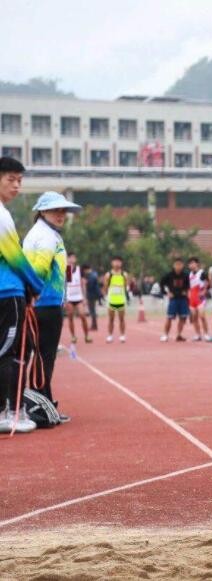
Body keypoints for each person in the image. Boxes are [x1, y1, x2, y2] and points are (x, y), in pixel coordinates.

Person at [23, 191, 83, 423]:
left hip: (45, 303)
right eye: (56, 210)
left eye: (63, 211)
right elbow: (38, 269)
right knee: (43, 356)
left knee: (41, 356)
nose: (61, 215)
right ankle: (39, 405)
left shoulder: (45, 233)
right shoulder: (46, 236)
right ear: (42, 211)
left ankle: (43, 402)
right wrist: (35, 294)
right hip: (44, 305)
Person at [0, 157, 44, 434]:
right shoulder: (2, 215)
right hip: (8, 292)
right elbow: (15, 257)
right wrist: (36, 285)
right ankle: (6, 412)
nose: (16, 186)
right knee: (7, 351)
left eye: (20, 181)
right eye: (10, 180)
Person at [160, 257, 190, 342]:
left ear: (183, 265)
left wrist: (186, 292)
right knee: (169, 317)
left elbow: (188, 286)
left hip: (183, 299)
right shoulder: (169, 275)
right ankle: (165, 334)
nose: (178, 266)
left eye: (180, 264)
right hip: (173, 299)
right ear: (173, 265)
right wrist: (166, 293)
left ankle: (179, 334)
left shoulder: (186, 275)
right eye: (176, 264)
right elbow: (161, 284)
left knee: (183, 318)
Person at [64, 252, 91, 344]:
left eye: (73, 257)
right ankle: (73, 336)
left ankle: (87, 335)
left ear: (75, 259)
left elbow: (83, 284)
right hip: (69, 297)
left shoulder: (80, 270)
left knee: (83, 315)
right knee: (70, 316)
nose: (72, 259)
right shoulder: (66, 269)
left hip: (79, 297)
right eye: (70, 258)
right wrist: (64, 299)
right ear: (67, 259)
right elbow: (64, 284)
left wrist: (85, 297)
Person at [102, 256, 129, 343]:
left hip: (121, 300)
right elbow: (105, 287)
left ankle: (122, 335)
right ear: (112, 263)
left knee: (122, 319)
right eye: (115, 261)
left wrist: (127, 295)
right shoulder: (108, 275)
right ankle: (110, 335)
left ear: (121, 263)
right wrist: (105, 296)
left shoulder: (124, 275)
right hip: (111, 300)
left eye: (119, 262)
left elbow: (126, 286)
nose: (117, 263)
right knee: (111, 319)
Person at [187, 257, 209, 341]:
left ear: (197, 264)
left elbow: (208, 282)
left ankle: (206, 334)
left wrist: (204, 291)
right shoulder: (189, 275)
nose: (191, 265)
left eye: (193, 263)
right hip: (192, 298)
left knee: (202, 316)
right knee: (194, 317)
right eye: (190, 264)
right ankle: (198, 334)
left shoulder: (202, 273)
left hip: (200, 297)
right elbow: (188, 286)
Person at [83, 263, 101, 331]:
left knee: (92, 311)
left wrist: (86, 283)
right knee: (92, 310)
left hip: (91, 295)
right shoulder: (94, 274)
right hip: (94, 294)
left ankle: (94, 325)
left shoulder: (91, 276)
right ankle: (94, 325)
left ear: (86, 269)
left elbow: (90, 286)